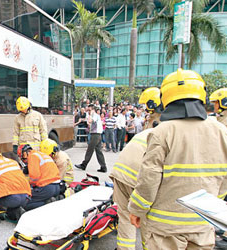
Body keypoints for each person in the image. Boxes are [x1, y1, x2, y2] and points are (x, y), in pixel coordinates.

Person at [128, 69, 227, 249]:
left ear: (166, 97)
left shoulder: (163, 132)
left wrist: (137, 210)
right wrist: (214, 202)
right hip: (203, 224)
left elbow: (149, 179)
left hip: (165, 227)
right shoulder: (220, 130)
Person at [110, 122, 160, 250]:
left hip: (120, 174)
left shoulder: (146, 133)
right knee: (146, 220)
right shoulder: (166, 136)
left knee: (126, 218)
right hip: (138, 178)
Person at [18, 144, 61, 211]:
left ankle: (47, 203)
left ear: (26, 153)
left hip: (47, 188)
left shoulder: (32, 156)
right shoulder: (42, 155)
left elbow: (34, 178)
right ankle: (52, 200)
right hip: (57, 186)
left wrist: (27, 185)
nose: (24, 160)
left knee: (25, 203)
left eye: (23, 157)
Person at [75, 105, 107, 172]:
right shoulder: (95, 115)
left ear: (93, 110)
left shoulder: (94, 115)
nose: (88, 112)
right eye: (88, 110)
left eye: (89, 110)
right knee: (99, 152)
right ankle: (103, 167)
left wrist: (89, 115)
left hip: (95, 135)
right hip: (96, 134)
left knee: (90, 150)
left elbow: (90, 121)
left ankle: (84, 165)